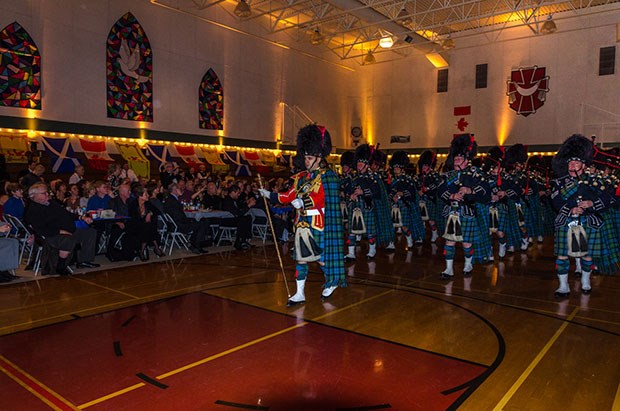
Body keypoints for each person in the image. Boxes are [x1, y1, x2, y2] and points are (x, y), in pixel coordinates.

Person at [259, 124, 346, 306]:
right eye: (305, 157)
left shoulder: (327, 176)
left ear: (319, 157)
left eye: (309, 157)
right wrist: (270, 195)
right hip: (301, 223)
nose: (305, 161)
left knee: (321, 259)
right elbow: (288, 196)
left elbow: (322, 198)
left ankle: (332, 281)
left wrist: (304, 202)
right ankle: (299, 293)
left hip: (318, 223)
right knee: (301, 259)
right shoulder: (300, 178)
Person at [550, 134, 619, 298]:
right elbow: (555, 200)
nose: (572, 165)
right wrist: (571, 209)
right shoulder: (559, 182)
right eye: (570, 162)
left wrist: (591, 204)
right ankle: (563, 286)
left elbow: (608, 199)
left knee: (587, 254)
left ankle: (586, 282)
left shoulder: (594, 181)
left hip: (588, 220)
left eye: (576, 162)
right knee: (562, 254)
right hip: (567, 221)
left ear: (583, 164)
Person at [437, 134, 491, 279]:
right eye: (455, 158)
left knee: (467, 242)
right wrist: (451, 196)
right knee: (450, 241)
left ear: (467, 160)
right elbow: (440, 191)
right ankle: (448, 269)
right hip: (452, 211)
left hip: (467, 212)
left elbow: (486, 192)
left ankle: (468, 264)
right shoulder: (449, 175)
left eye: (459, 158)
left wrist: (470, 191)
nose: (456, 160)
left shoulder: (476, 174)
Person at [24, 182, 99, 275]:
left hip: (67, 229)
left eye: (47, 192)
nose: (47, 194)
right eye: (44, 193)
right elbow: (40, 229)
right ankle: (60, 265)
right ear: (34, 196)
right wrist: (60, 231)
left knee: (89, 232)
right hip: (51, 235)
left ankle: (84, 261)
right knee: (68, 240)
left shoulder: (51, 203)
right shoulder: (32, 210)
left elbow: (66, 214)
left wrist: (82, 217)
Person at [163, 183, 210, 254]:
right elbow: (178, 216)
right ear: (175, 190)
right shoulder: (173, 201)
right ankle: (196, 245)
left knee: (199, 221)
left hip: (173, 224)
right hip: (178, 225)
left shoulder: (170, 199)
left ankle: (192, 242)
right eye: (179, 188)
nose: (181, 189)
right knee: (201, 224)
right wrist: (189, 220)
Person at [128, 185, 164, 261]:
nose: (148, 195)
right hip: (134, 226)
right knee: (149, 227)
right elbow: (133, 219)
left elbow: (158, 211)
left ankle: (142, 250)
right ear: (140, 196)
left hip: (146, 227)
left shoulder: (148, 203)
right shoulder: (133, 204)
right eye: (146, 194)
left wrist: (149, 213)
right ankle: (156, 247)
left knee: (148, 227)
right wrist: (143, 216)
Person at [221, 185, 256, 250]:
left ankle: (244, 240)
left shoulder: (235, 200)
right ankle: (239, 242)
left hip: (233, 219)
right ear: (233, 192)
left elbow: (241, 207)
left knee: (248, 217)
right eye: (238, 193)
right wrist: (249, 205)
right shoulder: (227, 200)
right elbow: (237, 213)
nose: (239, 195)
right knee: (242, 220)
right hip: (226, 220)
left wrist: (247, 202)